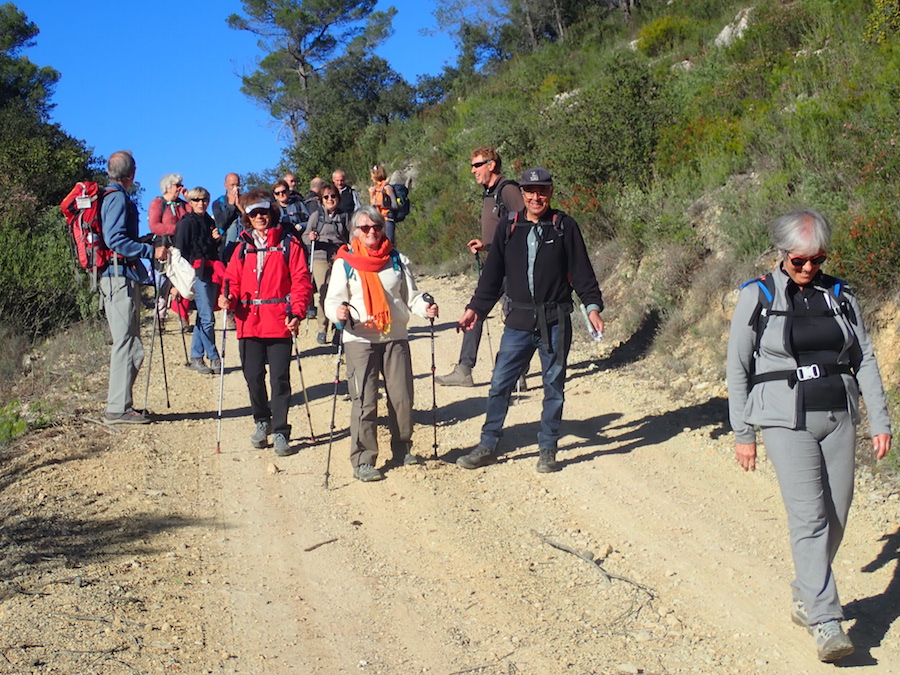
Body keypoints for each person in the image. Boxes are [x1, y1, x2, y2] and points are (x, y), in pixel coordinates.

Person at [726, 209, 892, 663]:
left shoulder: (840, 296)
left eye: (816, 260)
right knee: (810, 519)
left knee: (837, 516)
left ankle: (805, 590)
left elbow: (866, 359)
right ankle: (826, 620)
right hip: (784, 418)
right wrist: (743, 431)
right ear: (782, 254)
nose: (807, 269)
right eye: (799, 260)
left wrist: (880, 419)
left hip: (838, 414)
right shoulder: (757, 296)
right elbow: (737, 368)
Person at [455, 167, 604, 474]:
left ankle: (548, 449)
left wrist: (592, 307)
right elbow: (493, 276)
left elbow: (582, 271)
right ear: (521, 194)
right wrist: (475, 309)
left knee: (554, 386)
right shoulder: (509, 227)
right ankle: (487, 444)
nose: (536, 197)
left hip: (555, 319)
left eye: (542, 191)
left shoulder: (564, 226)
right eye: (530, 192)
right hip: (519, 320)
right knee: (499, 383)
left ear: (550, 192)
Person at [324, 206, 439, 482]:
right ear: (355, 232)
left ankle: (402, 448)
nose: (372, 232)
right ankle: (364, 459)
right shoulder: (345, 262)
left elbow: (411, 297)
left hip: (394, 336)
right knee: (364, 400)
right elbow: (332, 301)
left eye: (376, 227)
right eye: (365, 228)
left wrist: (426, 308)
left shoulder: (396, 259)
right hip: (359, 339)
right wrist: (337, 312)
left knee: (401, 397)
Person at [219, 190, 313, 456]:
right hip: (248, 322)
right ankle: (262, 420)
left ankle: (281, 431)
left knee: (280, 379)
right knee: (252, 376)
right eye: (254, 213)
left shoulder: (289, 244)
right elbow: (232, 281)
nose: (260, 217)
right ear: (247, 218)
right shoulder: (240, 249)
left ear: (271, 213)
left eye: (263, 212)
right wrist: (228, 298)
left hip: (279, 320)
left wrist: (296, 312)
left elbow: (301, 281)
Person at [437, 147, 525, 387]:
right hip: (496, 265)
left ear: (492, 165)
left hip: (512, 267)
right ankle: (466, 369)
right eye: (472, 165)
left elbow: (524, 226)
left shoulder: (508, 190)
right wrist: (486, 245)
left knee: (516, 318)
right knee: (475, 312)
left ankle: (515, 373)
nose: (473, 170)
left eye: (477, 165)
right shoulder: (490, 193)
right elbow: (503, 230)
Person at [98, 150, 168, 424]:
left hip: (120, 275)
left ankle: (122, 405)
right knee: (125, 342)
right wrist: (149, 250)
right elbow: (114, 239)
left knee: (132, 343)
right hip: (117, 277)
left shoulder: (111, 196)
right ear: (133, 173)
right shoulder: (116, 198)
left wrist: (143, 243)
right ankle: (117, 409)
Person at [174, 187, 222, 375]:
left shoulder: (209, 220)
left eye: (204, 200)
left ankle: (195, 356)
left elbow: (210, 247)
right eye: (196, 200)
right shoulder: (186, 223)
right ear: (190, 202)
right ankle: (213, 356)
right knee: (208, 318)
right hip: (195, 273)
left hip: (211, 270)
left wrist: (216, 240)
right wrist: (177, 282)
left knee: (205, 316)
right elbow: (179, 253)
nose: (201, 203)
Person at [301, 182, 351, 345]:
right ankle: (322, 328)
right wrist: (311, 237)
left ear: (338, 198)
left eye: (333, 196)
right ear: (321, 199)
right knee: (324, 292)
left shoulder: (344, 216)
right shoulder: (317, 215)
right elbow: (305, 237)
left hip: (339, 256)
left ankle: (338, 328)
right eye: (326, 197)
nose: (330, 199)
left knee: (341, 292)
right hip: (320, 256)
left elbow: (352, 235)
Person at [148, 173, 191, 330]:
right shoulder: (157, 203)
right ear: (167, 187)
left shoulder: (183, 204)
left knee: (182, 281)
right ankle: (160, 318)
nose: (180, 188)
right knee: (163, 283)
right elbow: (154, 225)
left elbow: (194, 217)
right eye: (177, 185)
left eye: (181, 185)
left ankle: (183, 318)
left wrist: (188, 198)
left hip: (182, 247)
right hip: (163, 246)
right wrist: (177, 230)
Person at [214, 172, 243, 262]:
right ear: (225, 186)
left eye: (237, 185)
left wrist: (239, 206)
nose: (235, 188)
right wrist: (231, 206)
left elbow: (252, 220)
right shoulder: (218, 203)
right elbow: (220, 224)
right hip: (226, 244)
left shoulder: (246, 200)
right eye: (232, 185)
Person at [368, 164, 398, 245]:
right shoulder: (376, 189)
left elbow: (394, 205)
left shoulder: (387, 187)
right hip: (379, 221)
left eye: (372, 175)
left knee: (389, 244)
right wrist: (371, 195)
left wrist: (379, 204)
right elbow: (372, 208)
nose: (371, 178)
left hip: (388, 220)